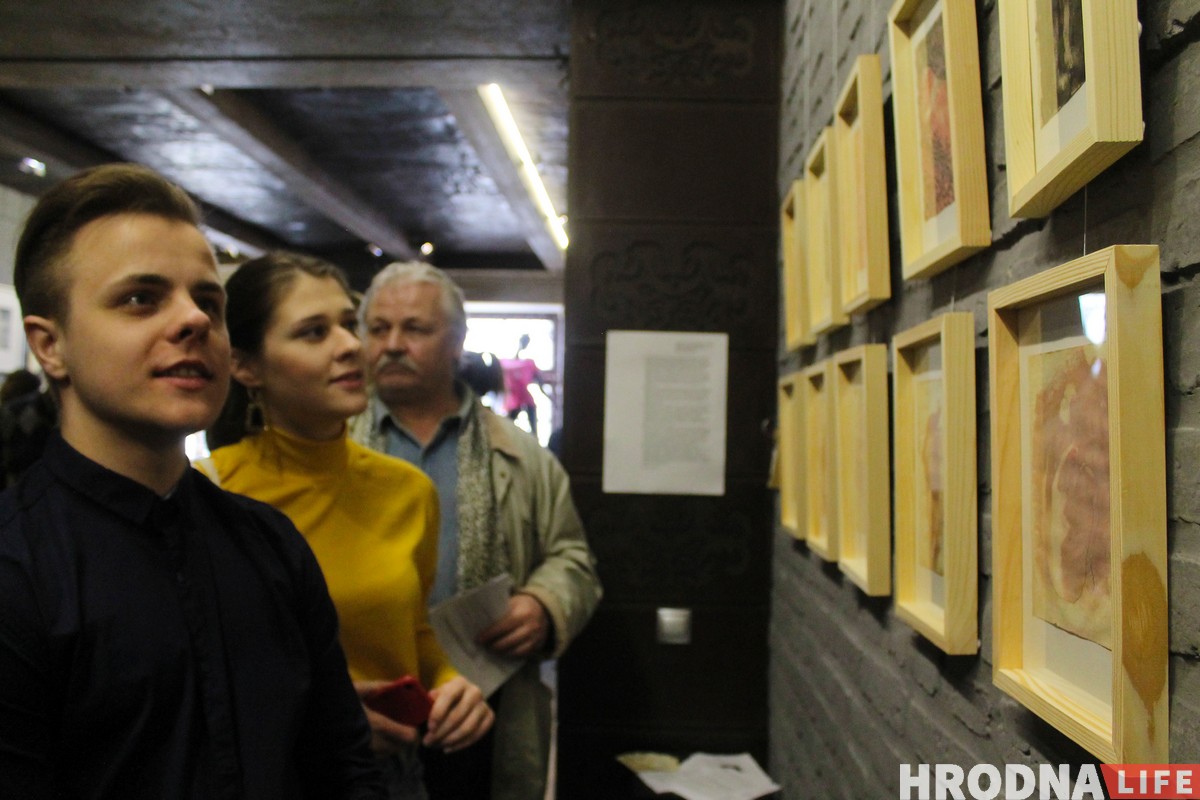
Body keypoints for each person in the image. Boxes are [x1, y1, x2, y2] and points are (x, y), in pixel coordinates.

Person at [0, 164, 382, 798]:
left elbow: (343, 767)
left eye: (208, 301)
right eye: (140, 299)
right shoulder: (18, 571)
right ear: (50, 346)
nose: (194, 320)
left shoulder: (271, 545)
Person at [199, 252, 494, 799]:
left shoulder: (407, 491)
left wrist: (452, 684)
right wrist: (322, 716)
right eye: (314, 332)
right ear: (245, 366)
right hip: (262, 772)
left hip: (390, 776)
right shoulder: (211, 493)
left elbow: (414, 632)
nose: (351, 345)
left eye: (347, 323)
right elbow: (192, 675)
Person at [351, 261, 602, 800]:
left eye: (415, 329)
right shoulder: (329, 445)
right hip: (359, 703)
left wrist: (543, 604)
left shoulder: (520, 456)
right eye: (378, 328)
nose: (392, 345)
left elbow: (573, 558)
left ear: (457, 343)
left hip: (482, 703)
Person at [499, 334, 546, 439]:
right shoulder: (505, 363)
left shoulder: (529, 363)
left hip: (525, 398)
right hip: (513, 399)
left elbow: (539, 380)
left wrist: (547, 395)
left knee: (533, 430)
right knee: (506, 429)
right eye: (524, 342)